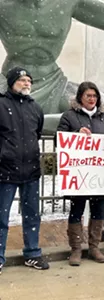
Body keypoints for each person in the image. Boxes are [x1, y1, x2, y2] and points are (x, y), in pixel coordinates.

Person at [0, 0, 104, 116]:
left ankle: (36, 121)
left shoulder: (68, 2)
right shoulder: (4, 5)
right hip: (9, 83)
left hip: (53, 82)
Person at [56, 81, 104, 266]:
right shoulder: (69, 116)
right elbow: (60, 141)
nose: (92, 99)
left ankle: (94, 247)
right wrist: (76, 134)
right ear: (80, 97)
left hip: (98, 174)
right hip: (78, 174)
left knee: (98, 210)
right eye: (88, 95)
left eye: (94, 96)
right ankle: (76, 249)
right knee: (77, 210)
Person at [0, 67, 49, 275]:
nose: (27, 83)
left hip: (30, 171)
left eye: (29, 80)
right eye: (22, 80)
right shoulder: (1, 105)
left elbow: (36, 133)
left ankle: (32, 253)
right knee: (1, 218)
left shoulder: (35, 108)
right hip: (5, 171)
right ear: (12, 83)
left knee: (32, 215)